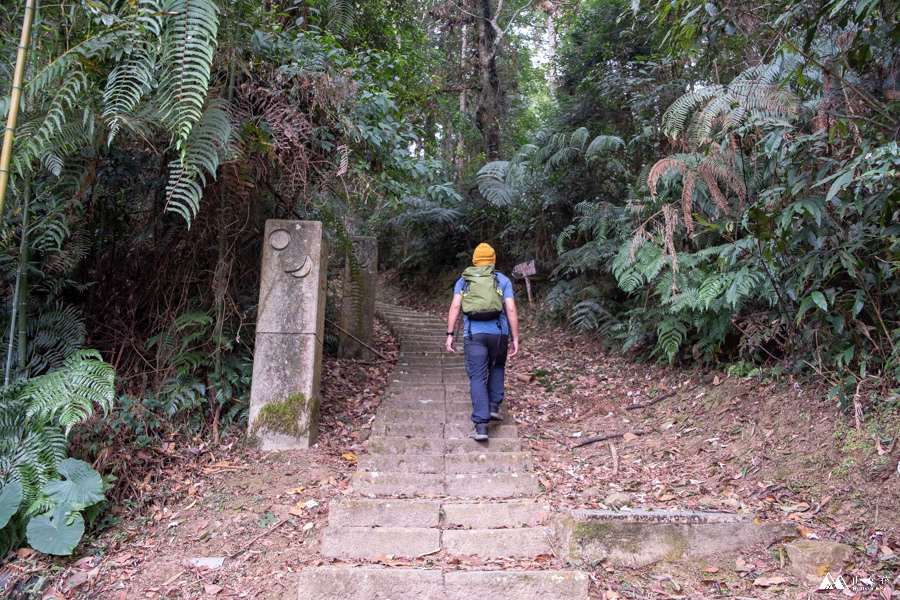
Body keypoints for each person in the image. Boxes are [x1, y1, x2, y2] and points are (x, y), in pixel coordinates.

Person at [445, 243, 519, 441]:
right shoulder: (502, 280)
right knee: (497, 366)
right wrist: (515, 337)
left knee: (477, 377)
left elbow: (455, 306)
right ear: (493, 260)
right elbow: (510, 309)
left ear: (474, 260)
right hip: (499, 334)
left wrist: (450, 333)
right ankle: (494, 406)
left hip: (474, 335)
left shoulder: (464, 280)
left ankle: (481, 426)